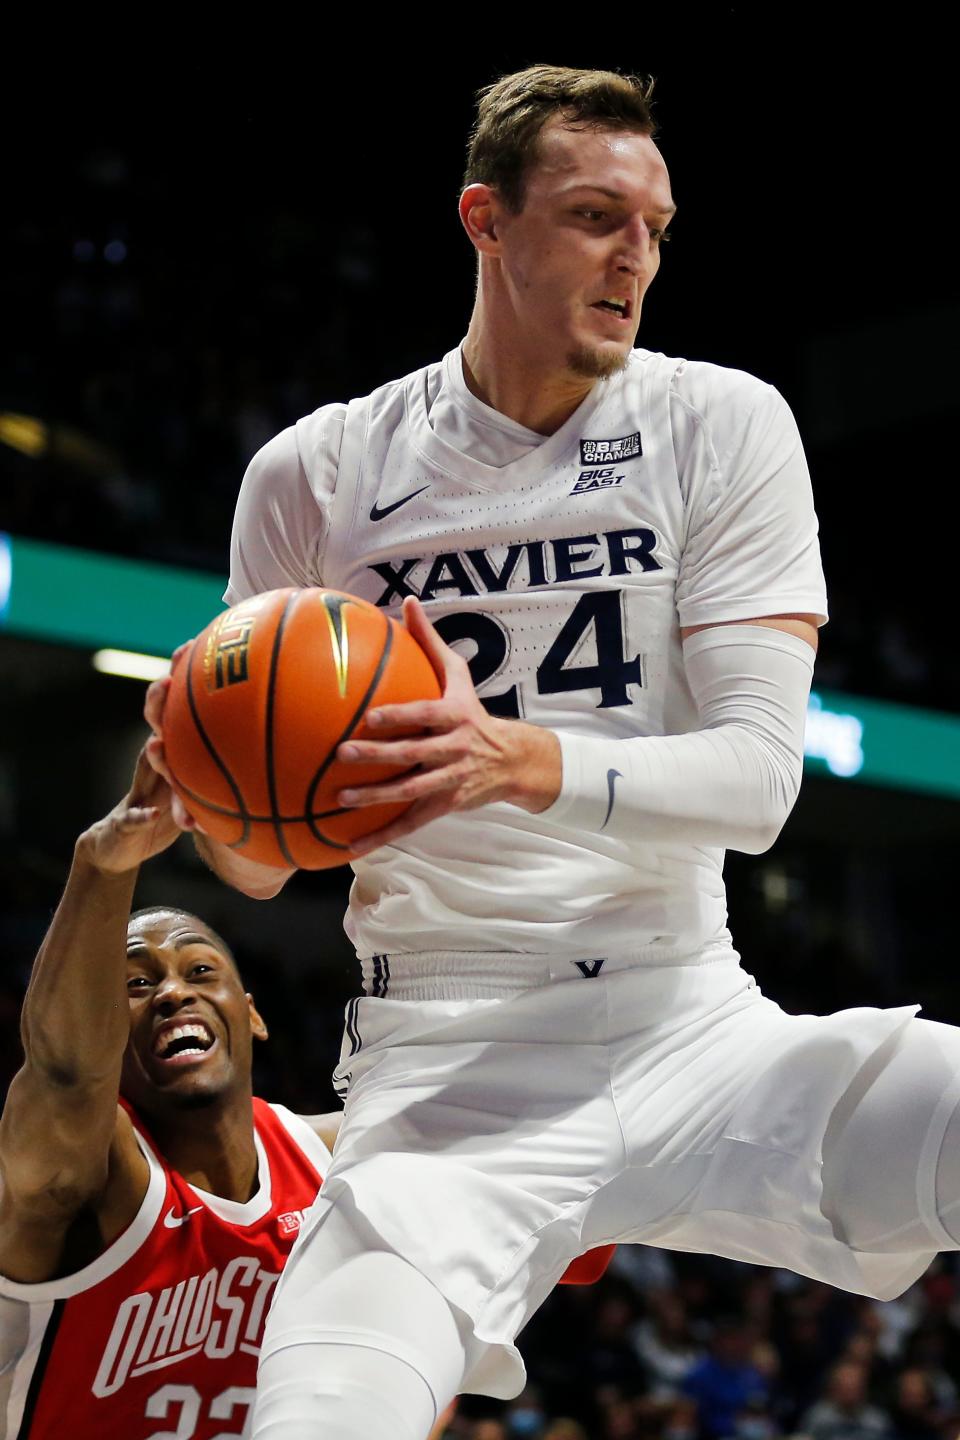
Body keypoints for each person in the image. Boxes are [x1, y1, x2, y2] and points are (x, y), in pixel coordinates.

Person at [145, 63, 960, 1440]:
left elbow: (762, 780)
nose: (634, 255)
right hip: (445, 1060)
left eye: (653, 225)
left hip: (691, 1018)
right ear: (486, 221)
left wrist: (516, 762)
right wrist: (209, 797)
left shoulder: (723, 423)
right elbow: (259, 865)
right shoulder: (317, 471)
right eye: (593, 216)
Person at [0, 752, 338, 1438]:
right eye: (136, 982)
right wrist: (103, 866)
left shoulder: (339, 1159)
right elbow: (65, 1074)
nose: (174, 991)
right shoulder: (94, 1179)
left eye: (200, 969)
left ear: (251, 1013)